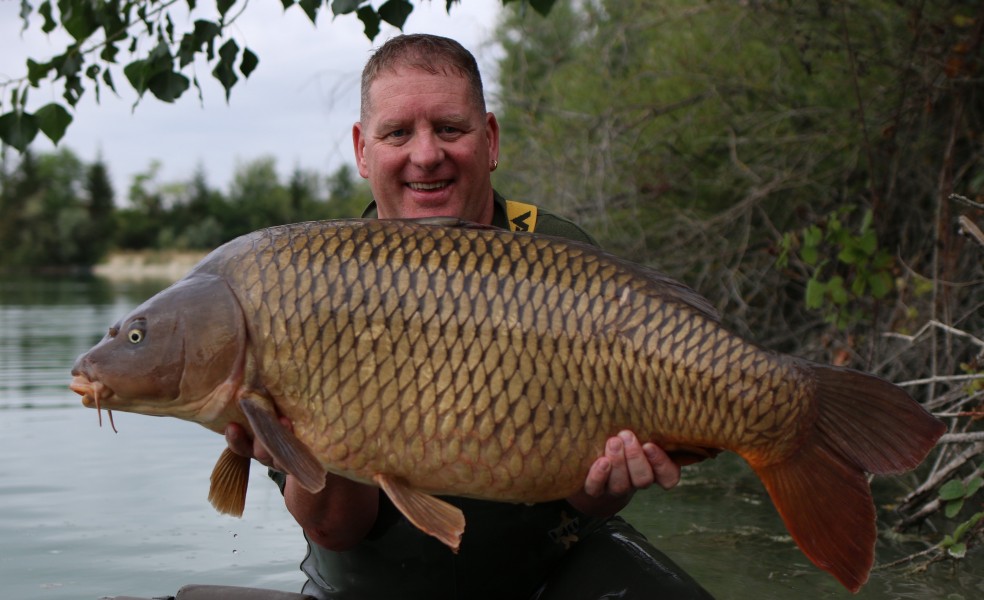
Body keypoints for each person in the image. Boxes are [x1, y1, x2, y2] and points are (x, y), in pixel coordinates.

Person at [224, 34, 715, 600]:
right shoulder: (304, 287)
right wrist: (310, 449)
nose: (426, 154)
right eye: (398, 132)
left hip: (548, 568)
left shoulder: (556, 253)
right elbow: (336, 528)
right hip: (374, 579)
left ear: (491, 139)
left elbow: (589, 498)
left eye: (450, 128)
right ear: (363, 149)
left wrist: (614, 479)